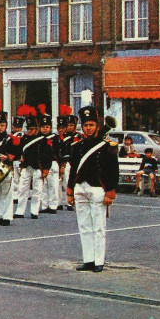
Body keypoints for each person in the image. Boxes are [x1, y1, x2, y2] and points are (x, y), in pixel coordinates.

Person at [66, 105, 119, 272]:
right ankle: (88, 259)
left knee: (98, 227)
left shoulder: (107, 146)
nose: (88, 128)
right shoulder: (77, 147)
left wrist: (110, 193)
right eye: (86, 125)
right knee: (84, 226)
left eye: (91, 125)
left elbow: (112, 171)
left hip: (98, 189)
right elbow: (73, 170)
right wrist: (69, 191)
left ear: (97, 126)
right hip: (80, 188)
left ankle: (98, 261)